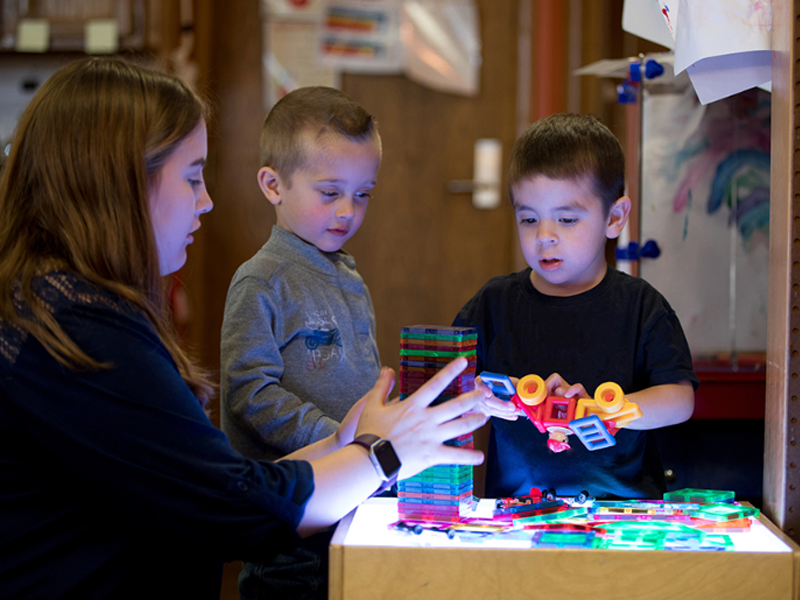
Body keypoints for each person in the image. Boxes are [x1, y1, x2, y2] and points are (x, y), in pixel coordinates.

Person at [0, 57, 487, 599]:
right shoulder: (77, 330)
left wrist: (351, 441)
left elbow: (214, 476)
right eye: (191, 178)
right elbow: (231, 505)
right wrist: (382, 454)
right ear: (119, 185)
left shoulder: (58, 304)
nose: (206, 201)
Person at [453, 113, 697, 501]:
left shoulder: (641, 305)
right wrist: (477, 396)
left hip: (624, 514)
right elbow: (445, 391)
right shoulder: (493, 304)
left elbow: (679, 400)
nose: (544, 237)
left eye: (566, 219)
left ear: (614, 218)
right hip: (517, 512)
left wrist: (608, 408)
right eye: (528, 218)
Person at [219, 86, 384, 599]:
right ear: (273, 184)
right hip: (290, 518)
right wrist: (339, 437)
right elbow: (249, 393)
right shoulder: (262, 281)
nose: (348, 211)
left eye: (363, 194)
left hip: (351, 495)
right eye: (330, 192)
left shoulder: (348, 275)